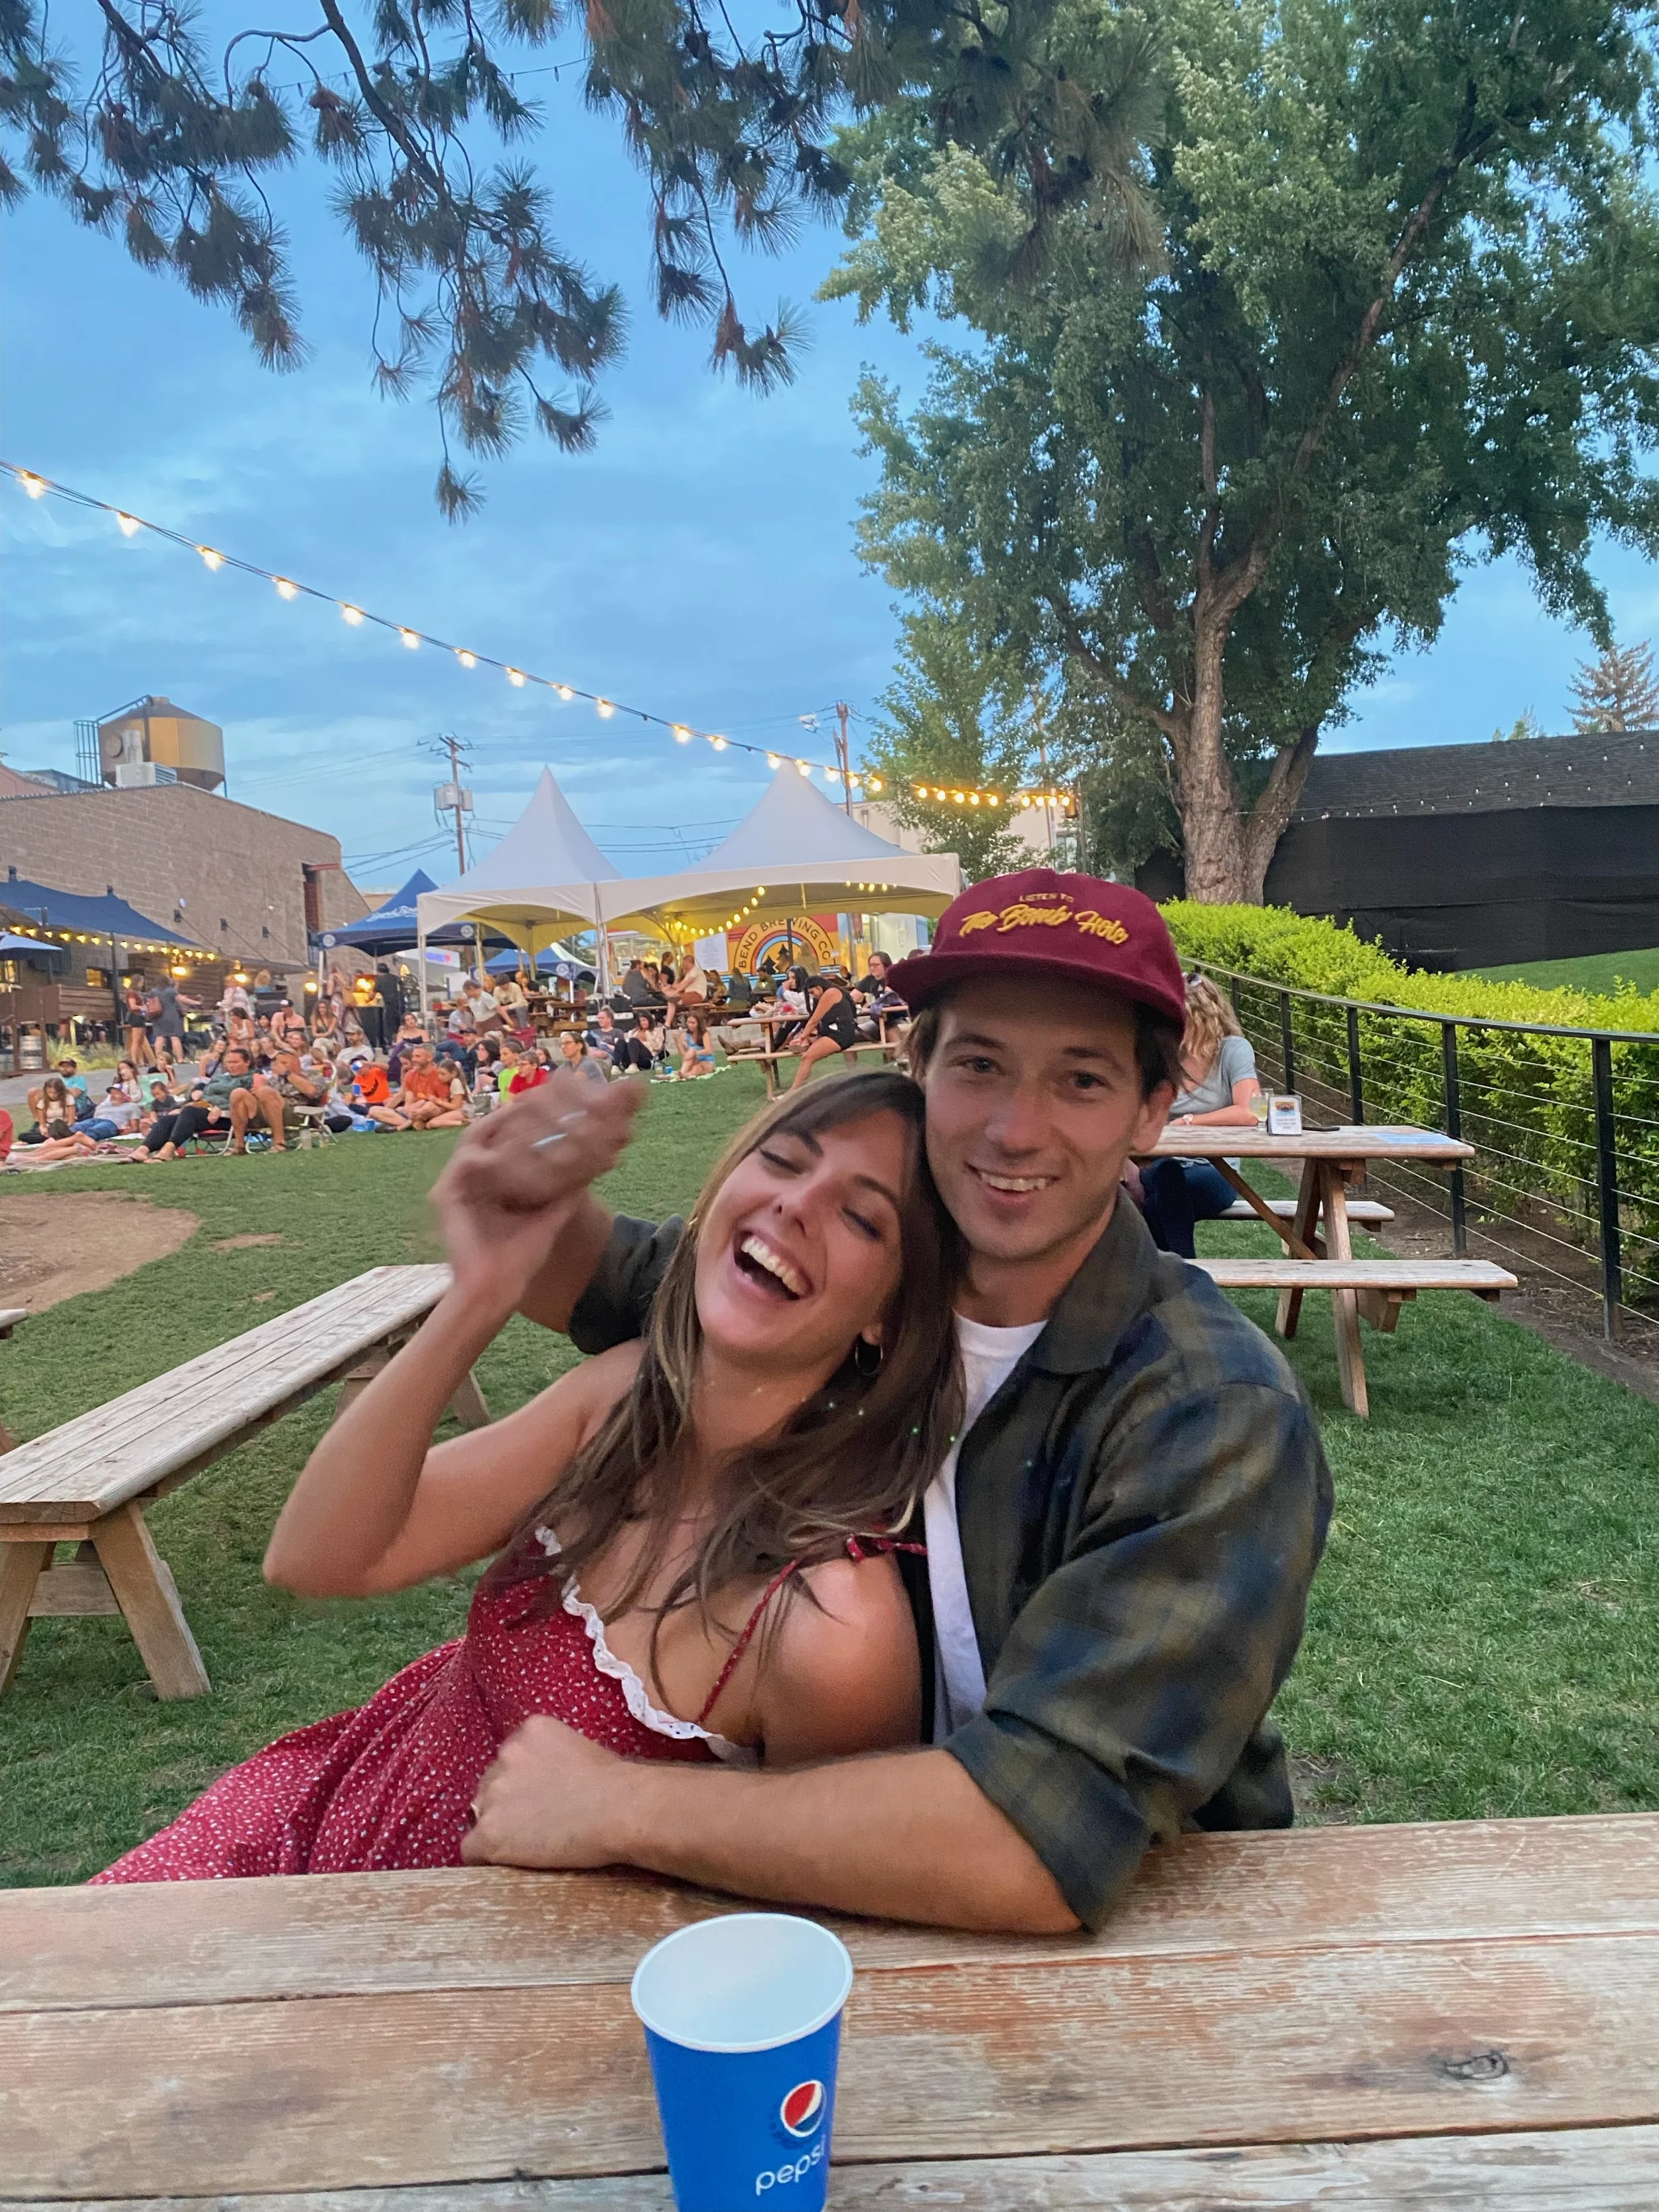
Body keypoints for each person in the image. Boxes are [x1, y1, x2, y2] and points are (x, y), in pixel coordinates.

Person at [441, 867, 1333, 1936]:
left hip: (1147, 1950)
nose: (1014, 1128)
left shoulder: (1213, 1415)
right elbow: (618, 1276)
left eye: (1082, 1081)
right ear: (918, 1066)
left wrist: (618, 1803)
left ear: (1152, 1111)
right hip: (852, 1885)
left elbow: (1038, 1842)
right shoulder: (873, 1273)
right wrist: (519, 1180)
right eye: (979, 1065)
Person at [92, 1072, 961, 1882]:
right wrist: (481, 1294)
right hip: (308, 1814)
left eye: (862, 1218)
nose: (796, 1204)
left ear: (887, 1317)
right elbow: (319, 1558)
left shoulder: (831, 1627)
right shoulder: (622, 1398)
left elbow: (811, 1909)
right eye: (783, 1160)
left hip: (463, 1976)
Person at [1136, 977, 1265, 1260]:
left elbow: (1250, 1111)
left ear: (1202, 1019)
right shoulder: (1164, 1056)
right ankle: (1184, 1282)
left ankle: (1177, 1281)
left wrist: (1191, 1121)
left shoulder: (1233, 1050)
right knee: (1163, 1179)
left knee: (1159, 1197)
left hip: (1216, 1171)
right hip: (1159, 1165)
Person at [784, 973, 858, 1090]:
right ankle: (804, 1046)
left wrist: (802, 1036)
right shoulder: (832, 992)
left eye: (813, 993)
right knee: (807, 1053)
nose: (813, 996)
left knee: (807, 1058)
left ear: (819, 987)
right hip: (833, 1032)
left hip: (839, 1034)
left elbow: (814, 1019)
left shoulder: (830, 993)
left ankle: (793, 1092)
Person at [395, 1045, 469, 1129]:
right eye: (413, 1056)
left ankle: (404, 1125)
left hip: (464, 1110)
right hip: (436, 1109)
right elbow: (406, 1098)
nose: (440, 1077)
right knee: (427, 1118)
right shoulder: (411, 1075)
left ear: (453, 1074)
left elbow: (456, 1106)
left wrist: (436, 1101)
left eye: (443, 1074)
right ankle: (413, 1122)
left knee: (431, 1119)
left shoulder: (456, 1082)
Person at [590, 1006, 654, 1074]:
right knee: (621, 1042)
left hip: (646, 1058)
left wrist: (641, 1043)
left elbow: (657, 1047)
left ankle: (634, 1065)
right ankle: (615, 1067)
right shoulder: (634, 1032)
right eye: (640, 1021)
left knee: (633, 1041)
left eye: (644, 1020)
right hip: (630, 1057)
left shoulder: (656, 1031)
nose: (642, 1023)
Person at [676, 1011, 717, 1080]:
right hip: (693, 1061)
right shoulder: (685, 1035)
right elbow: (685, 1056)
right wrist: (677, 1042)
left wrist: (695, 1053)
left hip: (707, 1061)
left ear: (698, 1023)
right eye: (689, 1022)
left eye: (693, 1023)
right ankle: (683, 1073)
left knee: (697, 1067)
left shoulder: (705, 1034)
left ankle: (685, 1075)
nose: (690, 1025)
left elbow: (709, 1051)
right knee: (691, 1054)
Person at [122, 988, 157, 1070]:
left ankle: (141, 1062)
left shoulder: (138, 993)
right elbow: (133, 1006)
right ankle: (134, 1061)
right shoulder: (131, 993)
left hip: (141, 1017)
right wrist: (142, 1007)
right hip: (135, 1016)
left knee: (140, 1041)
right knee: (136, 1040)